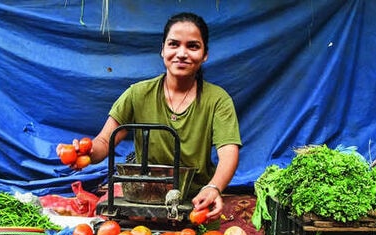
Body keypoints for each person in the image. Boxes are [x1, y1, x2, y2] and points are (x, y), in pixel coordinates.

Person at [61, 12, 241, 222]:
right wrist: (86, 153)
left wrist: (213, 188)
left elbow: (229, 152)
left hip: (195, 203)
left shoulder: (217, 100)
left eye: (192, 46)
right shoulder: (138, 94)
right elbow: (104, 141)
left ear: (205, 54)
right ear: (162, 49)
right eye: (174, 44)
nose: (182, 53)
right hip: (144, 199)